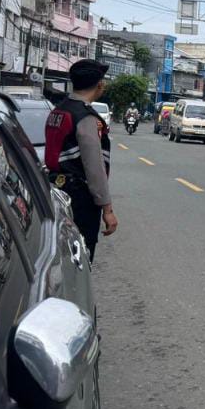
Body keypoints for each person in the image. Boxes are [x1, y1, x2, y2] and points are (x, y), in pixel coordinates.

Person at [44, 59, 119, 261]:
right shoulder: (86, 117)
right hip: (78, 197)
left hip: (53, 189)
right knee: (80, 258)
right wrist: (107, 209)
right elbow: (94, 167)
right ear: (99, 84)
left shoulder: (58, 111)